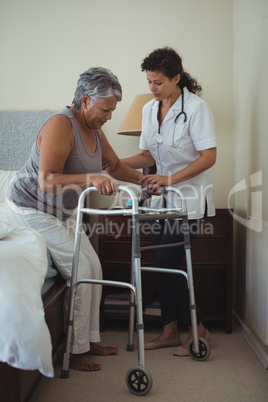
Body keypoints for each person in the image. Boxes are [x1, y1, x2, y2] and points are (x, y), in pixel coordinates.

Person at [5, 67, 144, 371]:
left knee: (94, 266)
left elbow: (115, 165)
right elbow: (47, 180)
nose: (109, 116)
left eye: (112, 110)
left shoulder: (94, 128)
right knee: (81, 269)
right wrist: (91, 178)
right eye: (105, 109)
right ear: (85, 100)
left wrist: (144, 182)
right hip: (32, 208)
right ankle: (75, 349)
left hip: (63, 211)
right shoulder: (60, 124)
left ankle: (89, 339)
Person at [121, 47, 217, 356]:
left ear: (176, 78)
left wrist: (169, 179)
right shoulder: (150, 109)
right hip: (159, 201)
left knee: (166, 263)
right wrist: (111, 163)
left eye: (158, 82)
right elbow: (148, 155)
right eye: (149, 81)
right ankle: (169, 331)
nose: (152, 88)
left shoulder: (198, 108)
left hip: (187, 200)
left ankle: (198, 327)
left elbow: (209, 157)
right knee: (161, 265)